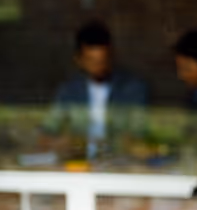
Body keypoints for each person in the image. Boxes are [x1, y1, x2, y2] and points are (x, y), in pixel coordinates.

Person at [42, 21, 148, 159]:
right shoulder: (69, 90)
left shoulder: (132, 88)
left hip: (119, 163)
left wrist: (117, 144)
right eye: (91, 61)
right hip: (79, 162)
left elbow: (138, 134)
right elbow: (47, 132)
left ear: (111, 56)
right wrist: (64, 143)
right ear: (79, 60)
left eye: (103, 61)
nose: (99, 67)